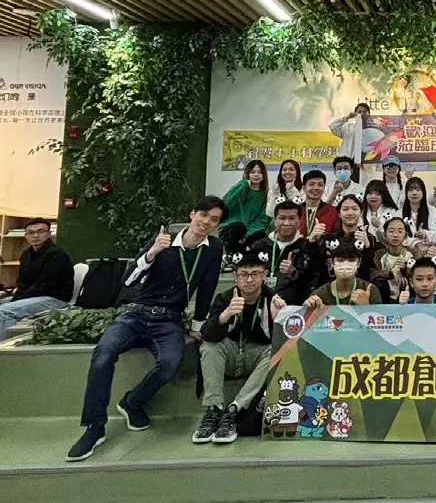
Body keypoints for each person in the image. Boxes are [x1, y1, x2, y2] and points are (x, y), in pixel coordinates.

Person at [67, 196, 228, 462]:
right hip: (136, 313)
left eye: (214, 220)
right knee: (103, 354)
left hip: (169, 320)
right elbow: (128, 280)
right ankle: (94, 428)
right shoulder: (163, 239)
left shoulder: (213, 248)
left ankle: (133, 402)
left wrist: (198, 328)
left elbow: (207, 288)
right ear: (192, 214)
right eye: (203, 215)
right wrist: (151, 254)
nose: (206, 222)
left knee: (171, 363)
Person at [192, 246, 286, 444]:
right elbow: (206, 335)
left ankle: (235, 409)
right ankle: (214, 409)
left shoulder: (273, 299)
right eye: (244, 274)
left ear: (264, 275)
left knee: (275, 351)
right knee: (209, 346)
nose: (249, 279)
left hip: (256, 358)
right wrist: (225, 315)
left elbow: (281, 343)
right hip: (230, 354)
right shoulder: (224, 298)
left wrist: (277, 319)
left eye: (255, 274)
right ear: (235, 277)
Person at [0, 218, 73, 341]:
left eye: (40, 231)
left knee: (4, 311)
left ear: (49, 234)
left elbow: (45, 286)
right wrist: (17, 297)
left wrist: (18, 299)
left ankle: (4, 348)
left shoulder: (56, 254)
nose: (36, 235)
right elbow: (22, 282)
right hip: (32, 297)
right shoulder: (26, 254)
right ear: (26, 236)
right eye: (31, 232)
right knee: (5, 305)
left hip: (54, 299)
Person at [256, 199, 318, 306]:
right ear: (275, 220)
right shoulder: (260, 245)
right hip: (262, 303)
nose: (286, 223)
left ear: (299, 221)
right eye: (282, 218)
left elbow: (312, 281)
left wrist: (293, 272)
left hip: (293, 305)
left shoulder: (305, 248)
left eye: (292, 218)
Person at [305, 237, 382, 307]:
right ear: (332, 262)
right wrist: (307, 309)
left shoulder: (370, 290)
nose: (346, 264)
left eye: (351, 260)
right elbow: (308, 316)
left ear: (359, 263)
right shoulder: (319, 294)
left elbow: (379, 317)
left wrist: (366, 306)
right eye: (340, 260)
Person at [219, 160, 269, 236]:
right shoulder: (240, 188)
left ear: (264, 175)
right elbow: (226, 203)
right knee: (238, 227)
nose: (256, 175)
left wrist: (249, 233)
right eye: (253, 172)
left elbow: (263, 220)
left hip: (251, 232)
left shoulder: (266, 195)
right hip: (231, 229)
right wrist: (243, 184)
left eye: (260, 172)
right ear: (247, 174)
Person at [371, 217, 413, 302]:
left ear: (405, 235)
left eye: (400, 231)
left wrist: (406, 269)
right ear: (384, 234)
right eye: (391, 231)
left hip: (406, 292)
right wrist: (391, 272)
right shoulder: (379, 254)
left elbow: (418, 273)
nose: (395, 235)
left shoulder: (413, 252)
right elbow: (374, 275)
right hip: (385, 293)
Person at [327, 102, 369, 172]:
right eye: (359, 112)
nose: (362, 114)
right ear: (355, 114)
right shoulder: (348, 127)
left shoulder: (373, 131)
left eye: (365, 112)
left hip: (364, 166)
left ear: (369, 115)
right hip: (346, 164)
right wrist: (348, 117)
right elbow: (332, 126)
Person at [300, 170, 340, 238]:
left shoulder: (333, 212)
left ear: (324, 188)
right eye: (311, 184)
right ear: (304, 188)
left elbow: (336, 237)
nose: (316, 188)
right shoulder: (296, 211)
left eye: (320, 185)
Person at [403, 176, 436, 244]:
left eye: (418, 189)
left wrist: (425, 234)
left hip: (428, 248)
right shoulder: (399, 213)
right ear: (406, 193)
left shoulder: (433, 212)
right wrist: (414, 242)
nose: (414, 193)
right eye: (410, 189)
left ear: (423, 192)